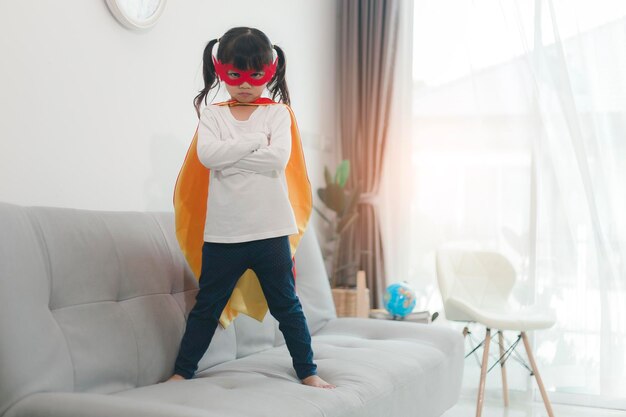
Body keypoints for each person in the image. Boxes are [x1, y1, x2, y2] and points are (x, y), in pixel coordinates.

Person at [167, 27, 336, 389]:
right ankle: (182, 371)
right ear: (219, 68)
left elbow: (277, 161)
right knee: (207, 307)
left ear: (270, 72)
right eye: (234, 75)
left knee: (287, 307)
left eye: (255, 76)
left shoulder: (278, 115)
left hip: (271, 231)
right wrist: (255, 144)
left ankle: (308, 371)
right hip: (223, 233)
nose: (245, 85)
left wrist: (234, 155)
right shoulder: (212, 114)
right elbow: (208, 156)